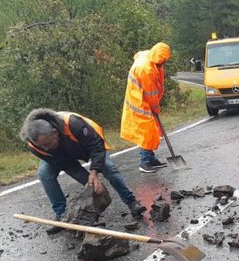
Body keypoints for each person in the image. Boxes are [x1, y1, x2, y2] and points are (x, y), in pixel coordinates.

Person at [20, 108, 146, 234]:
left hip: (87, 144)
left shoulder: (73, 124)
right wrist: (89, 183)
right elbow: (68, 166)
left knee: (108, 167)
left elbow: (96, 147)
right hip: (62, 155)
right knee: (44, 174)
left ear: (55, 132)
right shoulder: (34, 146)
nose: (45, 148)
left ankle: (131, 202)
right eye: (41, 146)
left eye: (47, 144)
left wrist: (94, 172)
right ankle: (62, 215)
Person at [121, 42, 171, 173]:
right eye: (162, 61)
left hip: (141, 96)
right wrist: (156, 109)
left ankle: (150, 158)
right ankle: (145, 162)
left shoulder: (149, 57)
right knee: (146, 131)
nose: (163, 63)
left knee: (151, 130)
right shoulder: (146, 70)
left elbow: (138, 55)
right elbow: (151, 94)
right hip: (139, 101)